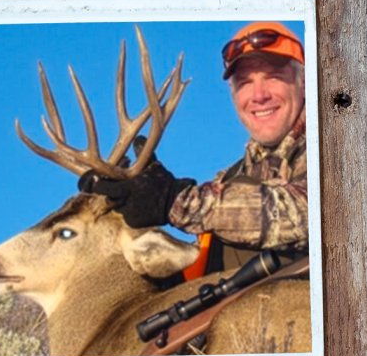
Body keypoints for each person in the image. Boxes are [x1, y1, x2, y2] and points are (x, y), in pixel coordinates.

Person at [83, 22, 308, 269]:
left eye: (273, 78)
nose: (259, 95)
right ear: (233, 95)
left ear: (304, 82)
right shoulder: (230, 178)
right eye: (244, 83)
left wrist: (173, 200)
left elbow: (305, 214)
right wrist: (132, 203)